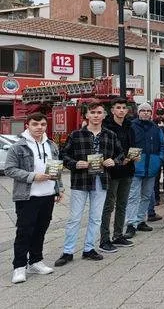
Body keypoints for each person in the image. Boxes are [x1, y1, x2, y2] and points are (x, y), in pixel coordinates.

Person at [56, 102, 124, 267]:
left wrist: (113, 161)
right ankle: (68, 251)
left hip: (101, 180)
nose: (96, 115)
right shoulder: (76, 134)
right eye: (92, 112)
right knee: (74, 218)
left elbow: (121, 154)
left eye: (99, 112)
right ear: (86, 115)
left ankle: (89, 248)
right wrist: (75, 163)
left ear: (104, 115)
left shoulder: (110, 135)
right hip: (81, 180)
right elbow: (63, 155)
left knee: (96, 218)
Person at [7, 113, 64, 284]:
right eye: (35, 124)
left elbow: (56, 168)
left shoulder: (51, 145)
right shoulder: (18, 147)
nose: (39, 127)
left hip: (47, 195)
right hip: (27, 197)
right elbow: (10, 169)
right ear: (28, 126)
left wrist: (59, 188)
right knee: (24, 232)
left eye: (43, 124)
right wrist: (33, 176)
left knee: (40, 230)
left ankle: (36, 261)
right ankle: (19, 266)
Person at [99, 98, 138, 254]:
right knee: (109, 205)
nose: (121, 110)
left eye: (123, 108)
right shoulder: (106, 127)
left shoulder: (130, 126)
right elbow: (104, 150)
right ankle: (104, 239)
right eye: (118, 108)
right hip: (112, 171)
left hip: (128, 170)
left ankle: (118, 235)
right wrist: (118, 160)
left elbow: (133, 146)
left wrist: (135, 156)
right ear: (112, 110)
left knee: (122, 204)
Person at [124, 103, 164, 239]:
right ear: (138, 112)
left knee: (147, 196)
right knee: (133, 196)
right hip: (136, 167)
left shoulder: (156, 128)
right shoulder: (131, 126)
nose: (146, 113)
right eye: (143, 111)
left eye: (148, 111)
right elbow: (126, 144)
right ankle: (131, 223)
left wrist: (159, 160)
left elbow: (163, 145)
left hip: (152, 167)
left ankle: (141, 220)